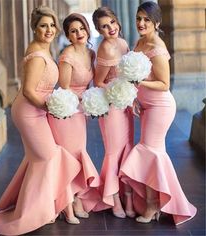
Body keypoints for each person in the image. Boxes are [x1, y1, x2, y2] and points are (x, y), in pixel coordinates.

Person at [0, 6, 82, 235]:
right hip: (29, 112)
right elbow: (29, 91)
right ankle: (35, 212)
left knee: (38, 160)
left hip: (37, 110)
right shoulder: (38, 55)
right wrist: (51, 108)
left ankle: (45, 207)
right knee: (49, 157)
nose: (49, 30)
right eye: (43, 25)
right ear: (34, 28)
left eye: (51, 25)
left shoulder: (44, 49)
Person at [119, 1, 197, 225]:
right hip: (145, 105)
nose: (141, 23)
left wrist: (139, 81)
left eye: (147, 19)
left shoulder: (158, 47)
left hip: (160, 106)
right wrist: (134, 95)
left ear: (157, 23)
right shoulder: (140, 42)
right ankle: (156, 202)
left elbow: (163, 84)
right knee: (151, 151)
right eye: (139, 18)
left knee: (149, 150)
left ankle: (154, 204)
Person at [48, 13, 101, 221]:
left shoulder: (91, 53)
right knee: (69, 159)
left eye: (81, 29)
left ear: (87, 30)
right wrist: (85, 100)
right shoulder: (66, 55)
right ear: (68, 36)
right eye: (73, 31)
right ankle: (67, 205)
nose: (78, 33)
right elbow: (65, 88)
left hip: (80, 113)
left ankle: (77, 198)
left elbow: (94, 83)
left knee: (79, 154)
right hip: (67, 111)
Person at [92, 7, 135, 218]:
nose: (110, 29)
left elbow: (127, 75)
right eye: (104, 27)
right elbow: (98, 81)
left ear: (117, 21)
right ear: (99, 30)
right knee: (113, 151)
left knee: (127, 147)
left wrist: (130, 95)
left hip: (126, 103)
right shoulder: (105, 49)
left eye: (112, 23)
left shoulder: (123, 43)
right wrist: (117, 93)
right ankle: (114, 197)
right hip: (111, 105)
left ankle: (128, 196)